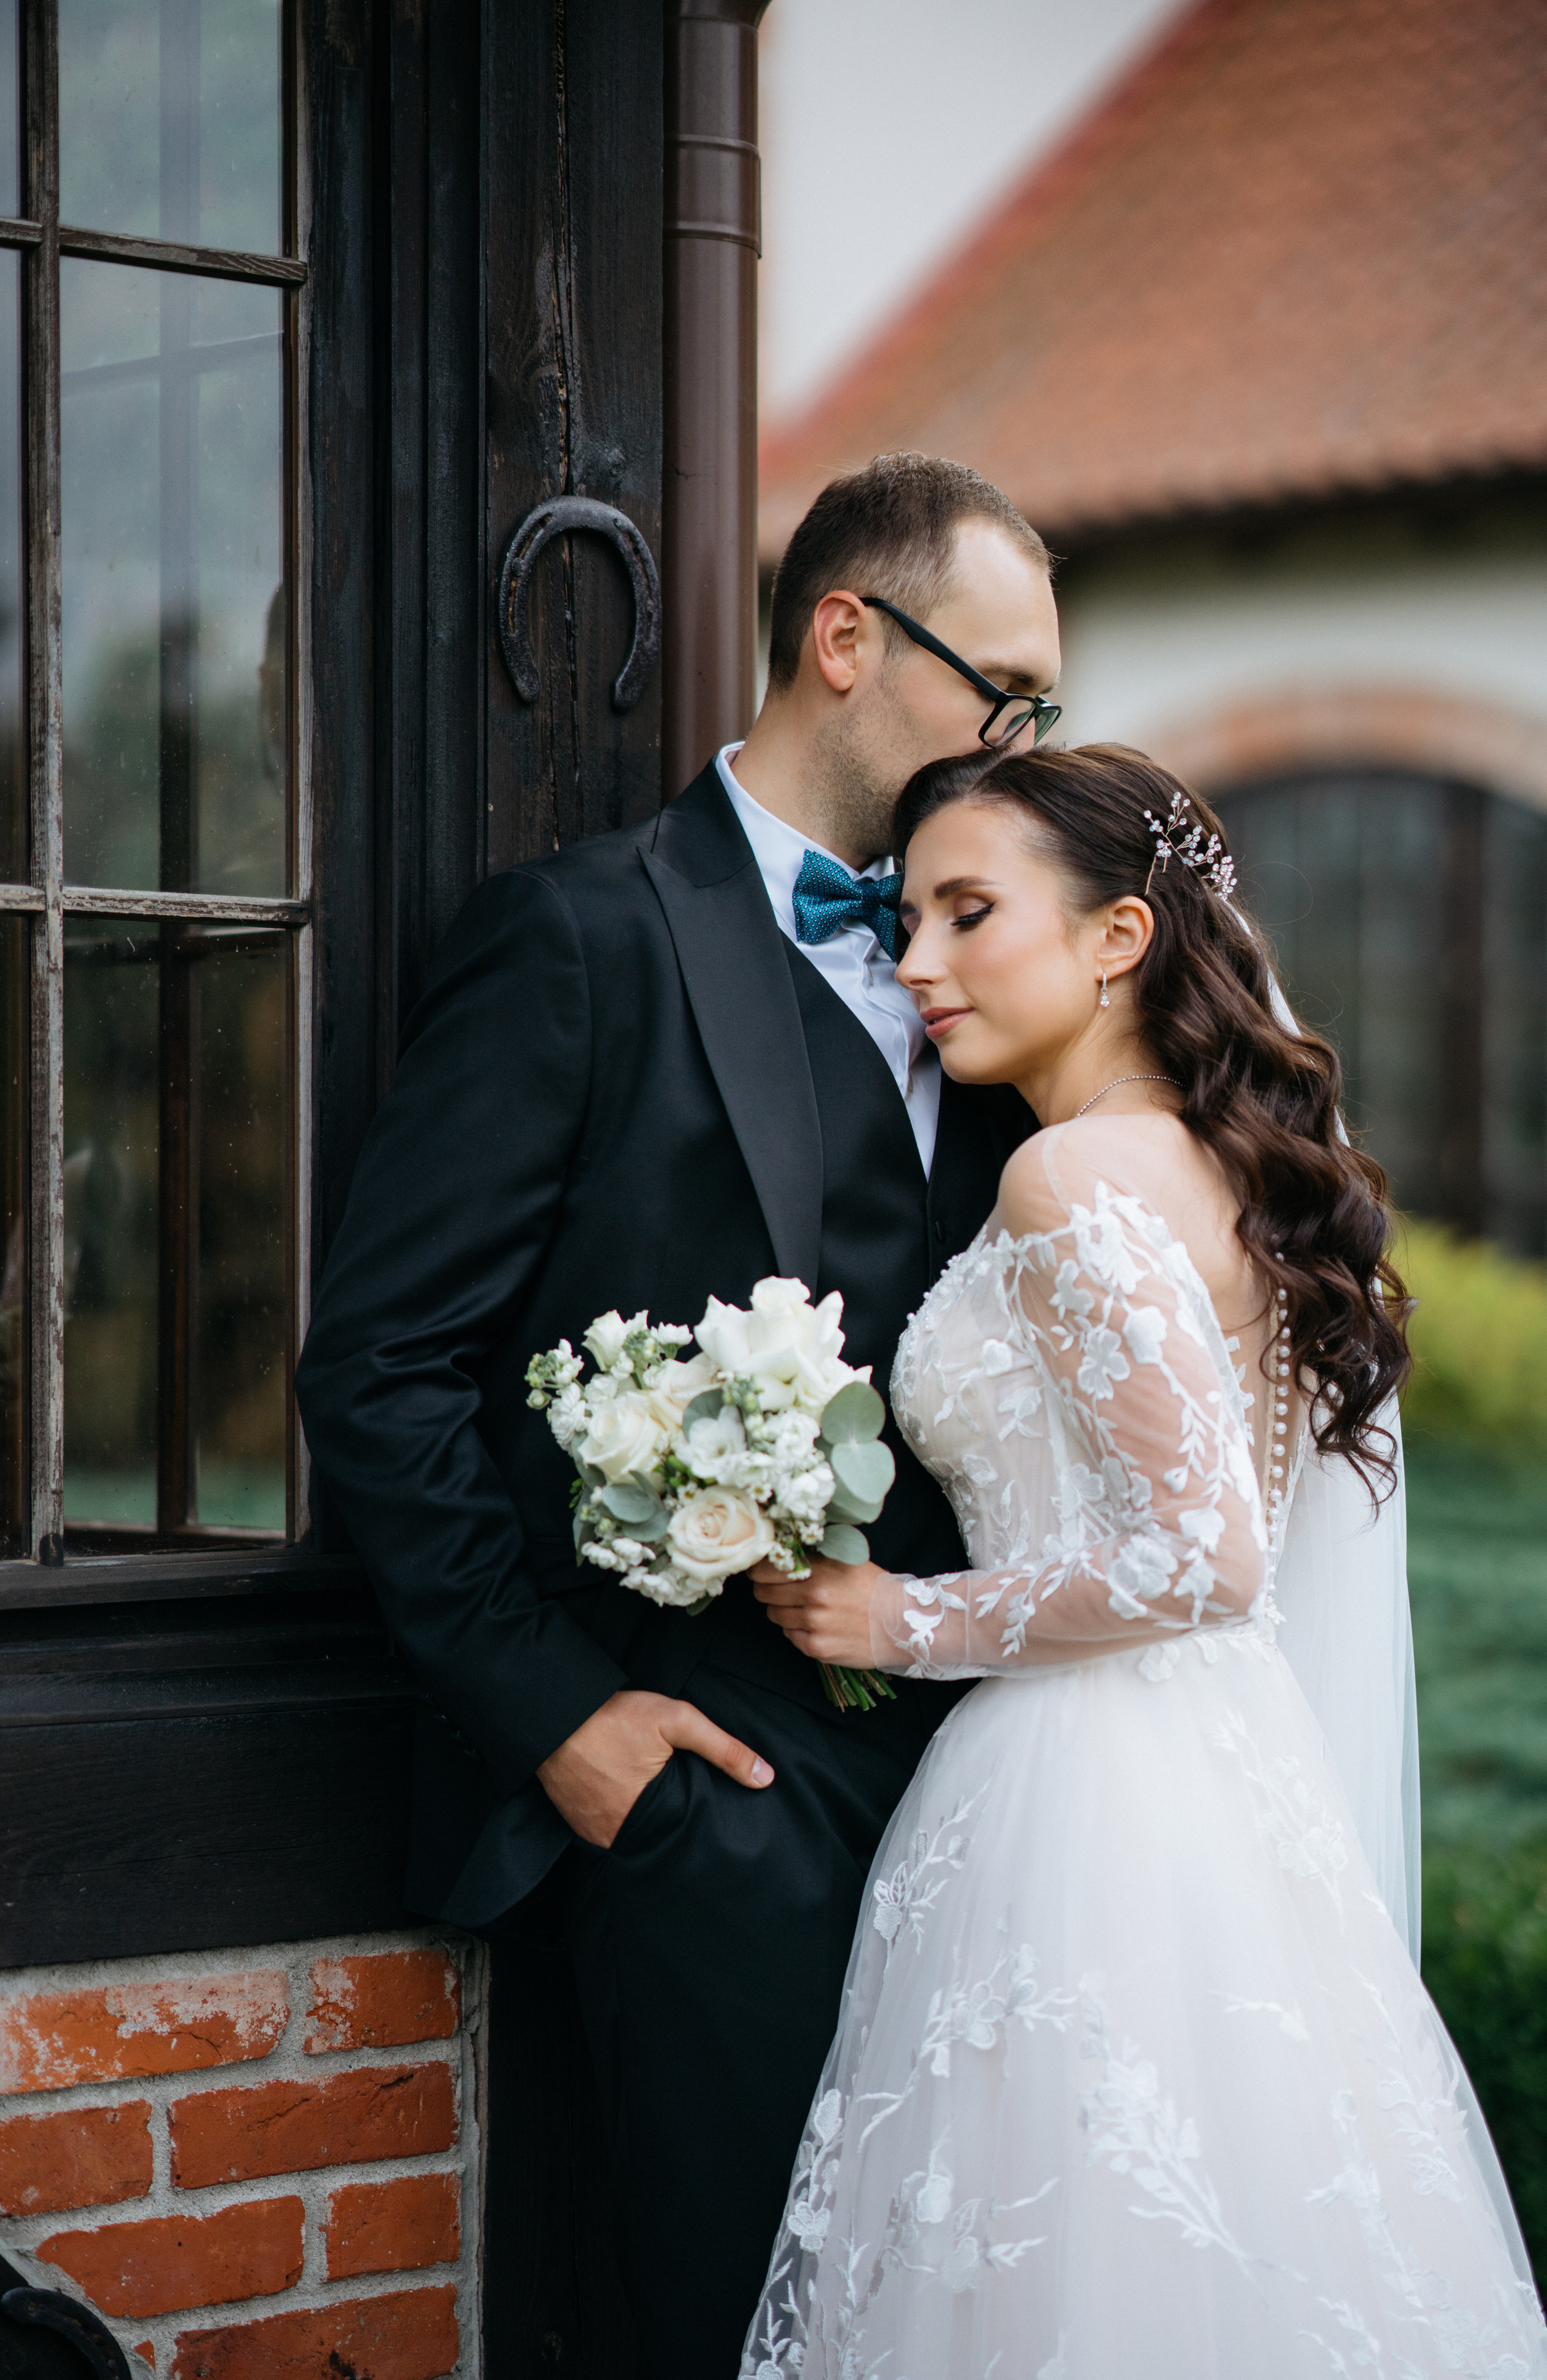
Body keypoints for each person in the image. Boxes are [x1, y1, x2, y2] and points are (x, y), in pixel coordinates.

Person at [294, 453, 1061, 2371]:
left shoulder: (1006, 972)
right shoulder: (577, 941)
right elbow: (377, 1369)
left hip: (985, 1806)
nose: (1032, 742)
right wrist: (560, 1721)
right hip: (699, 1807)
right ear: (845, 640)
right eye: (1008, 694)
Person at [744, 743, 1547, 2378]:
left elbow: (1206, 1557)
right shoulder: (1231, 1173)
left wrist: (899, 1615)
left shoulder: (1062, 1179)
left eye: (970, 914)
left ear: (1117, 938)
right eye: (909, 920)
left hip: (1083, 1794)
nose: (916, 964)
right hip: (1233, 1788)